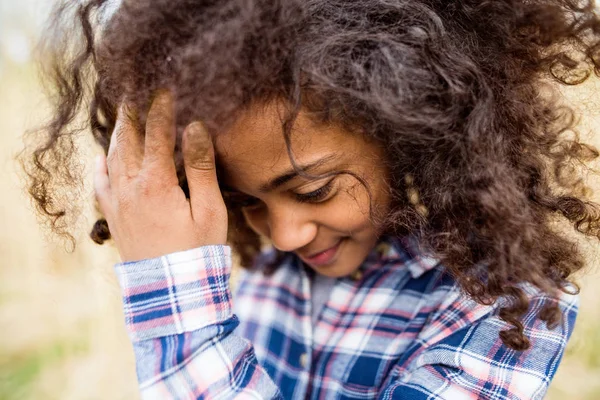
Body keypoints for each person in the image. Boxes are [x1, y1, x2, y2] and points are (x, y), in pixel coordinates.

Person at [22, 0, 600, 398]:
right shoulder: (261, 271)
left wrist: (176, 292)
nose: (286, 235)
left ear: (406, 130)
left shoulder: (506, 305)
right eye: (243, 200)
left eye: (312, 190)